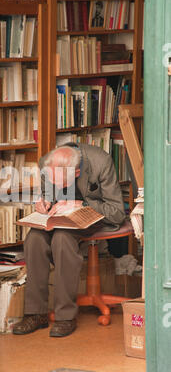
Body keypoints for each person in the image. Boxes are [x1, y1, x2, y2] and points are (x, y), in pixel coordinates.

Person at [12, 143, 126, 338]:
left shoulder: (101, 162)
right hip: (59, 217)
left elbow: (116, 212)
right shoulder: (46, 163)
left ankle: (65, 316)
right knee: (34, 239)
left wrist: (82, 203)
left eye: (61, 184)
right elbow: (48, 197)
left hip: (92, 216)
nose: (56, 187)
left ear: (77, 172)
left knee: (62, 239)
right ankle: (35, 313)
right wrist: (44, 204)